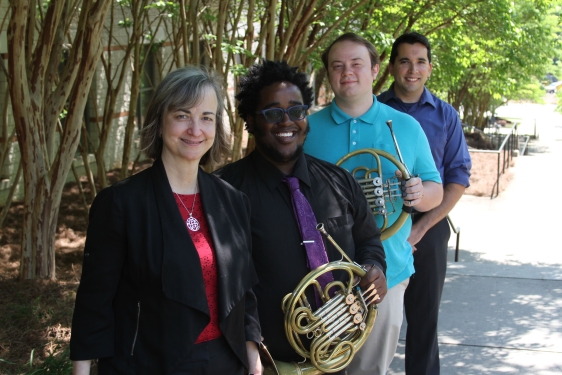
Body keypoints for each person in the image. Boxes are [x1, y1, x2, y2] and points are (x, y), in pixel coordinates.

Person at [69, 66, 262, 375]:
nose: (195, 129)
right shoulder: (121, 204)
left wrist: (253, 359)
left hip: (227, 361)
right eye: (182, 115)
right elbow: (95, 302)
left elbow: (244, 293)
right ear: (159, 122)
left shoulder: (233, 201)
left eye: (207, 118)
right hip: (150, 363)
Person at [214, 60, 387, 372]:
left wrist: (374, 267)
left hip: (337, 359)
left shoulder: (340, 183)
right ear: (251, 120)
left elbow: (369, 240)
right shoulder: (224, 191)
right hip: (261, 365)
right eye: (272, 113)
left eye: (296, 110)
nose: (287, 121)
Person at [306, 33, 443, 375]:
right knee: (324, 366)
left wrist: (418, 194)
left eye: (356, 64)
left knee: (370, 371)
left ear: (375, 70)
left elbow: (435, 189)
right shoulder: (307, 128)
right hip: (323, 272)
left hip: (387, 271)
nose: (347, 72)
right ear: (328, 73)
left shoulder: (406, 127)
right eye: (337, 66)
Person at [378, 32, 471, 375]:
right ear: (391, 68)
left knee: (424, 322)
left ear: (430, 68)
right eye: (404, 61)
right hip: (379, 230)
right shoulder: (374, 110)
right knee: (371, 319)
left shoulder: (446, 116)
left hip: (429, 228)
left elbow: (458, 178)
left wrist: (419, 229)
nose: (412, 69)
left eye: (420, 62)